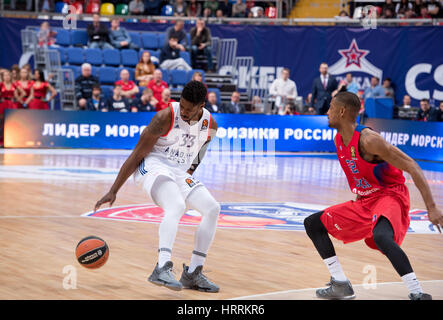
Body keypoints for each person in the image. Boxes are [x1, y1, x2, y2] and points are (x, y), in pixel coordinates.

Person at [303, 91, 443, 300]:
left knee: (381, 236)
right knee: (313, 223)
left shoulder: (369, 140)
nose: (327, 111)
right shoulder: (338, 140)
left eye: (331, 108)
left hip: (390, 195)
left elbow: (412, 166)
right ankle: (340, 283)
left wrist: (431, 207)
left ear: (342, 111)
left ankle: (417, 292)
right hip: (366, 200)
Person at [94, 81, 220, 292]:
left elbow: (200, 153)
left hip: (179, 171)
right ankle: (161, 267)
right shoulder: (165, 116)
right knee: (177, 206)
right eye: (183, 105)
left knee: (212, 208)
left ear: (201, 106)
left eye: (190, 109)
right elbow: (137, 155)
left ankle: (193, 274)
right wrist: (113, 190)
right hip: (152, 165)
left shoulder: (211, 125)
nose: (185, 112)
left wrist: (188, 177)